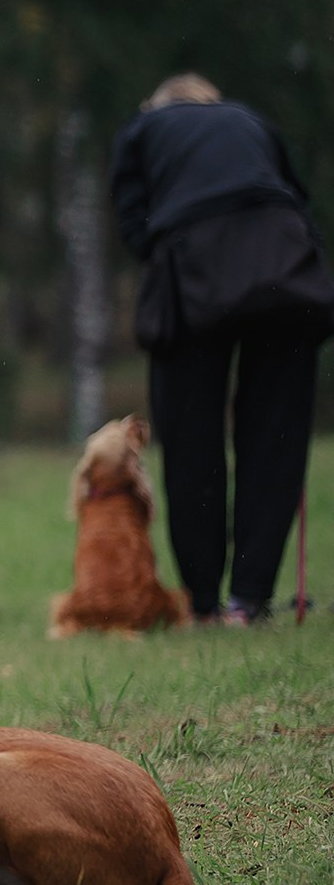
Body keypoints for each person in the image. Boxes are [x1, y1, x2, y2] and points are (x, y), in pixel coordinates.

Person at [110, 73, 334, 624]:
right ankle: (249, 601)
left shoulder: (144, 128)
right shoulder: (250, 120)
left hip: (193, 266)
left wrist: (169, 252)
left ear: (160, 105)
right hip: (284, 266)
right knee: (276, 436)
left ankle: (204, 603)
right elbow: (297, 199)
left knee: (192, 439)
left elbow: (132, 220)